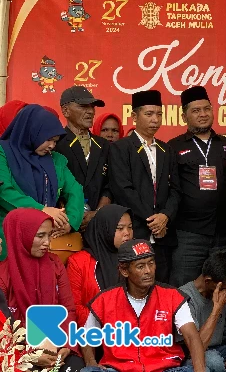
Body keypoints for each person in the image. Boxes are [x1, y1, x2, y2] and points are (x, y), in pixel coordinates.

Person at [80, 239, 205, 372]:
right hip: (120, 369)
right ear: (124, 270)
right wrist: (91, 362)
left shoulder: (173, 296)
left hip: (165, 368)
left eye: (151, 264)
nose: (148, 271)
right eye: (140, 266)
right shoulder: (104, 300)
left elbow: (192, 337)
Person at [168, 86, 226, 288]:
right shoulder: (172, 147)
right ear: (184, 116)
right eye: (196, 110)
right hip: (189, 233)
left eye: (206, 109)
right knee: (184, 288)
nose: (202, 114)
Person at [108, 90, 180, 283]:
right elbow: (123, 190)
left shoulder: (167, 150)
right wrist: (153, 220)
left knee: (162, 285)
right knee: (133, 285)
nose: (155, 119)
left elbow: (176, 190)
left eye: (159, 114)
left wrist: (165, 216)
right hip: (136, 230)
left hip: (164, 234)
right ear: (134, 116)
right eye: (149, 114)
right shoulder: (121, 148)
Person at [0, 208, 84, 371]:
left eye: (49, 235)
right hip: (18, 354)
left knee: (75, 366)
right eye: (40, 236)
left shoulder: (55, 265)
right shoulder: (3, 274)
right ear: (20, 235)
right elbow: (3, 329)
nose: (47, 242)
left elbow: (67, 309)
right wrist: (29, 354)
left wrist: (66, 345)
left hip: (56, 347)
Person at [0, 104, 84, 260]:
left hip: (44, 240)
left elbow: (75, 190)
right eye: (49, 140)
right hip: (9, 237)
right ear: (33, 132)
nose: (52, 146)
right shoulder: (2, 152)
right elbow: (4, 191)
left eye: (55, 141)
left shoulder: (56, 160)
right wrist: (41, 210)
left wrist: (69, 222)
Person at [55, 86, 111, 231]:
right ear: (65, 111)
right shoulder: (56, 144)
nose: (91, 111)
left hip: (99, 224)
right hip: (63, 224)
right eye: (83, 106)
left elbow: (110, 184)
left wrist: (97, 213)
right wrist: (71, 215)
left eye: (92, 107)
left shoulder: (104, 145)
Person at [66, 204, 133, 326]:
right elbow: (73, 307)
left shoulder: (135, 259)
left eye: (130, 227)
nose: (127, 233)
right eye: (120, 228)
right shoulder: (78, 263)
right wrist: (108, 321)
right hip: (93, 335)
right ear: (104, 229)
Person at [179, 250, 226, 372]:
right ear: (208, 281)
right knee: (213, 360)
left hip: (221, 349)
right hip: (192, 355)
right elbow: (196, 348)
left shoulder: (223, 292)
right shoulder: (184, 298)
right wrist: (217, 309)